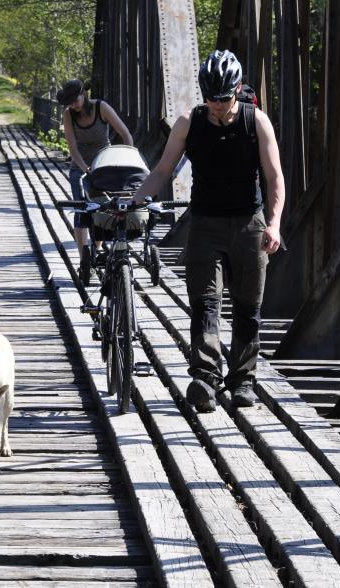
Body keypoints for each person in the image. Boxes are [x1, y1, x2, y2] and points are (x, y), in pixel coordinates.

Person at [130, 50, 284, 411]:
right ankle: (205, 378)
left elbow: (274, 177)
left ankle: (243, 381)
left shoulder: (255, 121)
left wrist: (274, 223)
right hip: (204, 223)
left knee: (248, 307)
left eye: (224, 98)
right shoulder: (189, 123)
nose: (218, 105)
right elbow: (163, 170)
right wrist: (135, 201)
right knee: (205, 303)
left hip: (249, 222)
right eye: (211, 98)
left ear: (238, 89)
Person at [57, 79, 133, 268]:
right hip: (80, 165)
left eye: (76, 100)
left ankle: (97, 248)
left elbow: (126, 135)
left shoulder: (101, 108)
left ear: (84, 95)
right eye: (70, 102)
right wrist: (85, 169)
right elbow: (73, 147)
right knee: (81, 209)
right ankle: (84, 259)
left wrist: (127, 160)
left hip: (103, 161)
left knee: (102, 206)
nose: (73, 105)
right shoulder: (69, 115)